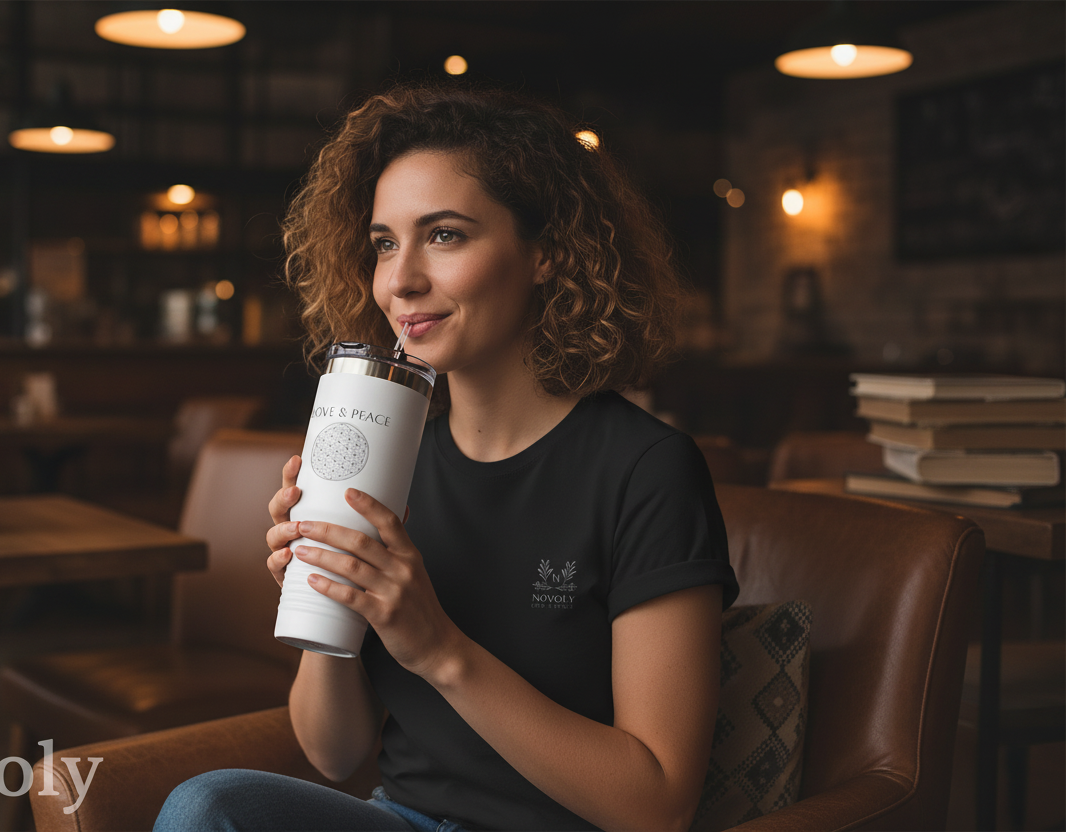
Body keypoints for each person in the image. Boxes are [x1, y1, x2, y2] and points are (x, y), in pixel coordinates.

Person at [154, 81, 739, 832]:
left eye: (446, 235)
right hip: (403, 818)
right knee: (208, 808)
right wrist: (328, 593)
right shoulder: (393, 457)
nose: (401, 281)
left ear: (549, 255)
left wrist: (438, 648)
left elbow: (657, 803)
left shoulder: (645, 470)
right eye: (385, 243)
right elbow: (334, 753)